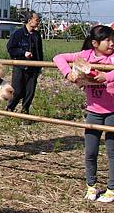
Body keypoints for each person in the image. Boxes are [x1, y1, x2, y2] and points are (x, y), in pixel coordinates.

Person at [53, 25, 114, 203]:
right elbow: (58, 57)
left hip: (112, 112)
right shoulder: (86, 56)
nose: (111, 43)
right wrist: (68, 74)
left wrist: (107, 77)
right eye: (107, 40)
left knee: (112, 152)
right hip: (93, 112)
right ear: (95, 43)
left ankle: (111, 189)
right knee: (90, 152)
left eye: (113, 40)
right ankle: (91, 186)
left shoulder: (112, 58)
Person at [6, 11, 43, 114]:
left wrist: (40, 66)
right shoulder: (18, 34)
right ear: (29, 20)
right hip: (20, 67)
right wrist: (23, 53)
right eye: (36, 20)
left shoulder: (37, 35)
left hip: (33, 68)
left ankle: (24, 112)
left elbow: (39, 52)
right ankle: (10, 108)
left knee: (30, 92)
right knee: (17, 91)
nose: (38, 22)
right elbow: (10, 48)